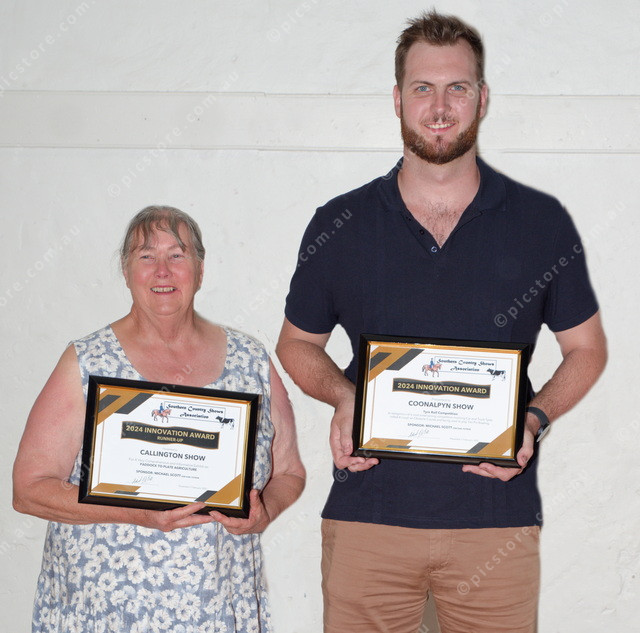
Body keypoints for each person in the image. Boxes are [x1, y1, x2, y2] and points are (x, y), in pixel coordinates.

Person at [276, 10, 606, 633]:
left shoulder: (540, 222)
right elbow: (296, 344)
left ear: (482, 98)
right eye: (423, 88)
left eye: (457, 87)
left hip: (495, 521)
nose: (439, 107)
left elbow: (587, 349)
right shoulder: (340, 223)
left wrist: (533, 420)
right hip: (368, 518)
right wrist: (344, 396)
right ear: (397, 99)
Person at [13, 205, 305, 633]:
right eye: (146, 256)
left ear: (200, 271)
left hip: (217, 608)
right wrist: (137, 514)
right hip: (105, 610)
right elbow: (28, 490)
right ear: (126, 271)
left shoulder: (250, 361)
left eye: (177, 255)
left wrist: (264, 512)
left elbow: (290, 472)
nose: (162, 271)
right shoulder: (88, 362)